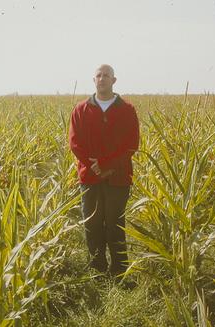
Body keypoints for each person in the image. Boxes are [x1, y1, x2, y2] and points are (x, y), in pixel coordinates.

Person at [69, 64, 139, 276]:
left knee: (115, 223)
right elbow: (74, 143)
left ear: (114, 80)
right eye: (98, 75)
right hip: (89, 177)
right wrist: (95, 166)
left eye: (106, 75)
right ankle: (97, 269)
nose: (102, 79)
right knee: (92, 224)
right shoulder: (81, 109)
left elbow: (132, 144)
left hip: (118, 177)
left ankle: (119, 270)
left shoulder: (126, 109)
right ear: (94, 80)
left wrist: (107, 165)